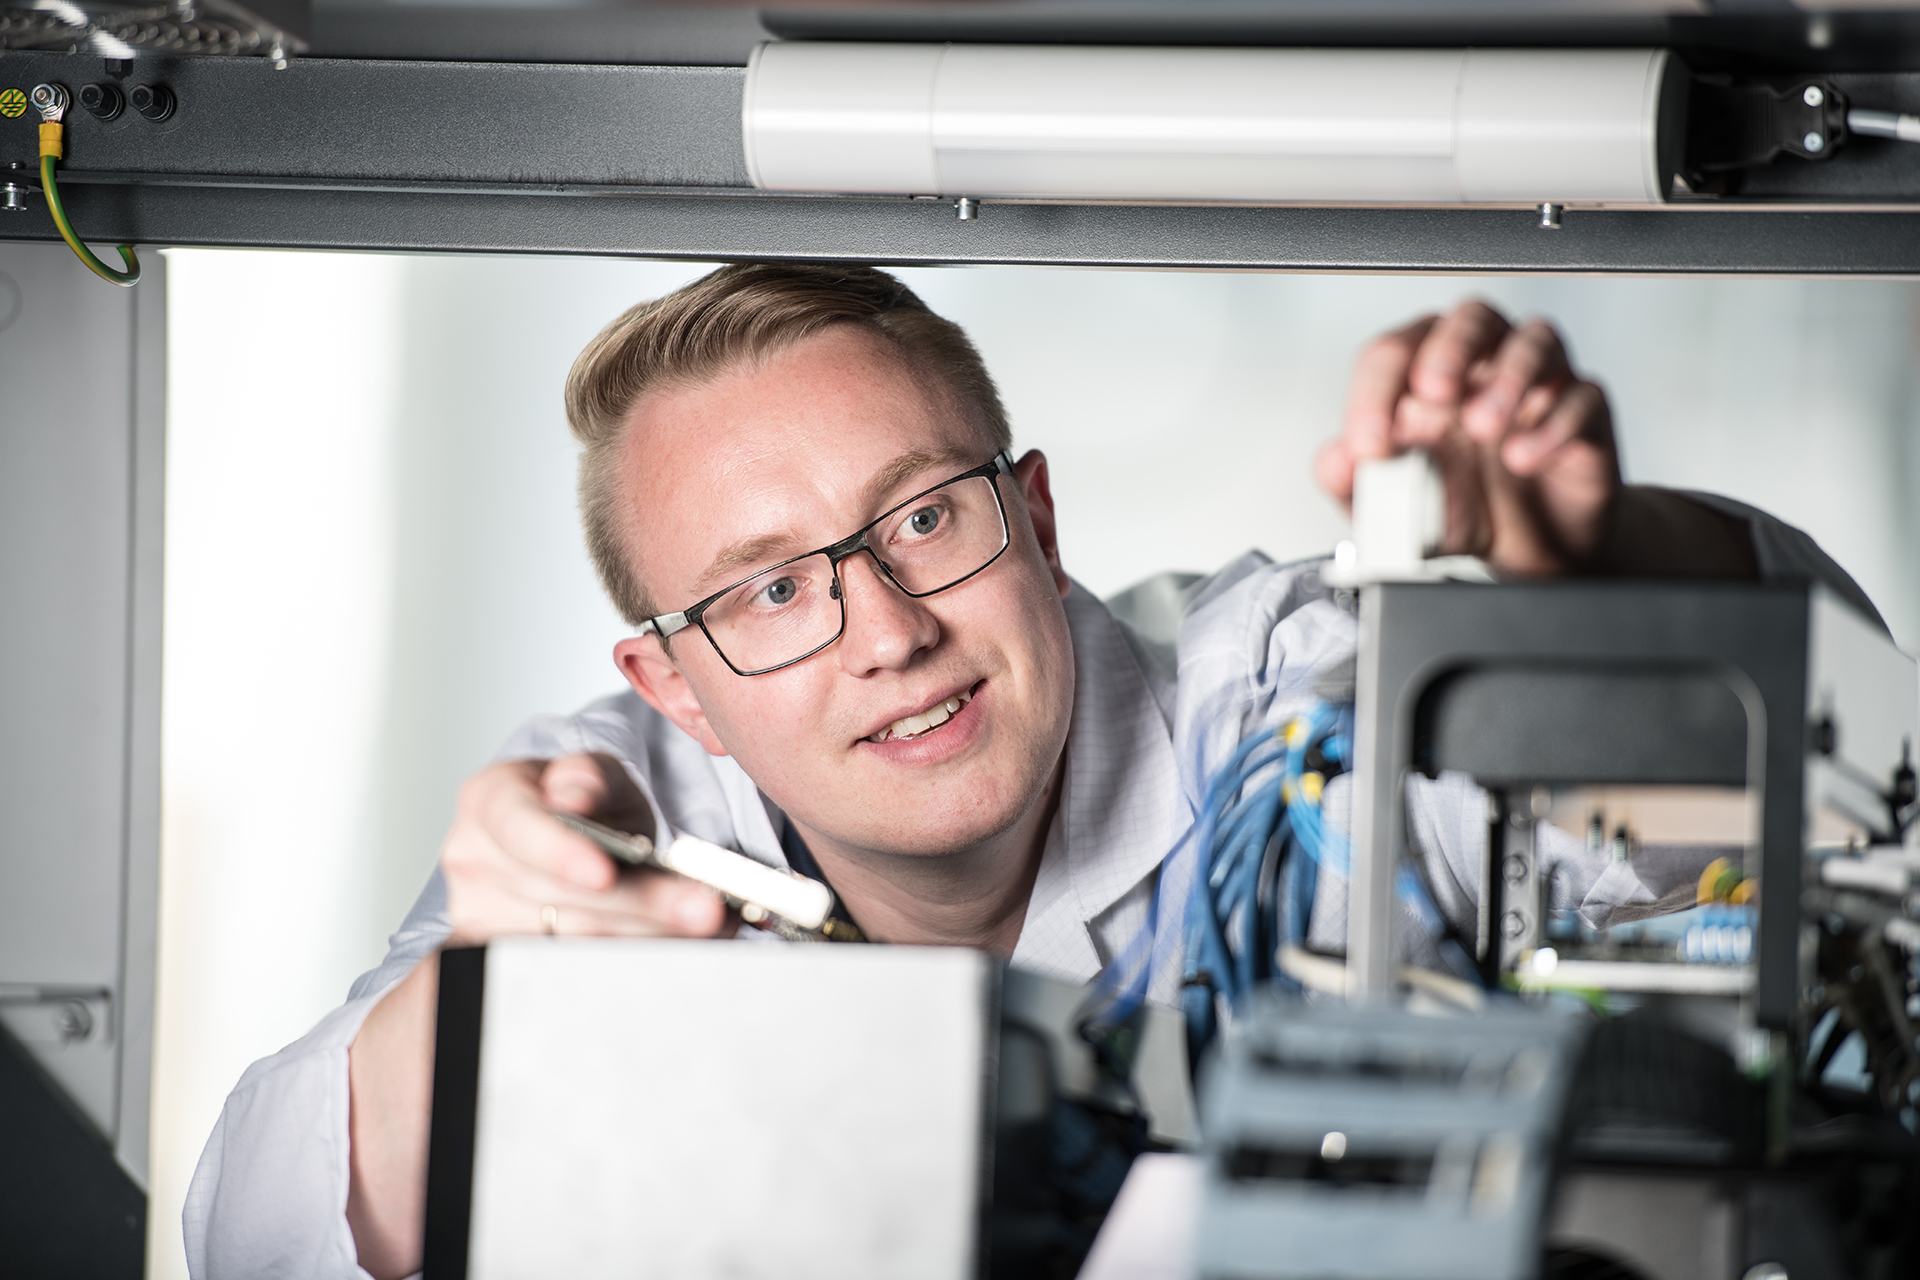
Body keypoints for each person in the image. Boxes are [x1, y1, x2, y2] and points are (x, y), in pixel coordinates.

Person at [182, 265, 1875, 1280]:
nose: (885, 630)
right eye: (769, 592)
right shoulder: (606, 830)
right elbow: (251, 1233)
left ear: (1039, 517)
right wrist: (485, 1003)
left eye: (925, 518)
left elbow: (1818, 823)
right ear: (675, 687)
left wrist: (1593, 575)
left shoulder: (1299, 695)